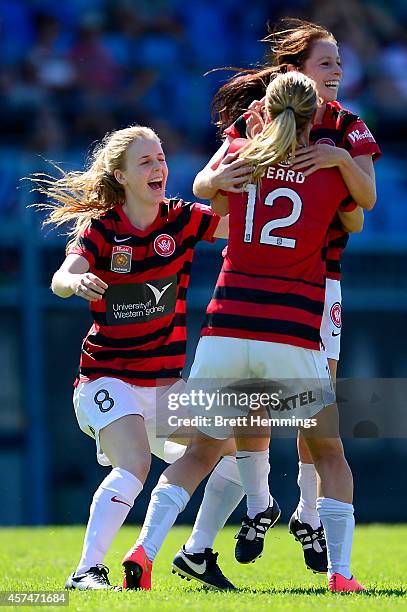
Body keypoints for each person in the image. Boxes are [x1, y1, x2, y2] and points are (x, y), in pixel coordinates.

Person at [124, 71, 364, 593]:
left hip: (226, 329)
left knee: (200, 452)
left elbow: (215, 203)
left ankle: (143, 551)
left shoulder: (240, 164)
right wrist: (341, 160)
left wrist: (242, 148)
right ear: (314, 118)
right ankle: (341, 577)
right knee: (329, 454)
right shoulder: (329, 175)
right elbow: (358, 214)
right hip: (292, 334)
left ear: (265, 109)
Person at [186, 17, 380, 577]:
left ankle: (307, 510)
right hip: (262, 284)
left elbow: (362, 209)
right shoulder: (259, 119)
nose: (338, 69)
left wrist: (340, 161)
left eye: (340, 61)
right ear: (295, 71)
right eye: (326, 61)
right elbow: (210, 184)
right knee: (257, 399)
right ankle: (259, 503)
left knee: (316, 401)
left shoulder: (348, 126)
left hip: (322, 280)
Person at [30, 125, 230, 590]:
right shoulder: (103, 229)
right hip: (107, 380)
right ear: (120, 175)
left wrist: (241, 160)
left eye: (161, 158)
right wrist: (74, 283)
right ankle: (86, 572)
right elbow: (63, 275)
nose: (158, 167)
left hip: (164, 386)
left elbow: (237, 224)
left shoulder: (181, 219)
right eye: (145, 161)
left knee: (235, 453)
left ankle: (194, 552)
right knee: (135, 464)